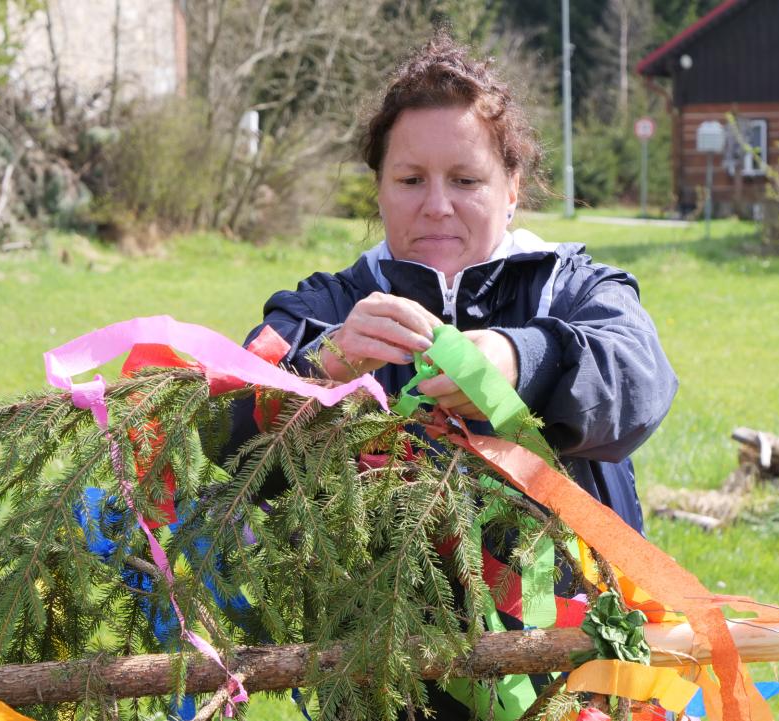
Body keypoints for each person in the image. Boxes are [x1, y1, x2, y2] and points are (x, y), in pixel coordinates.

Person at [226, 32, 677, 718]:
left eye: (466, 180)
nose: (437, 205)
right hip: (385, 680)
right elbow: (225, 433)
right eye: (411, 180)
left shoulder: (574, 288)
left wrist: (523, 361)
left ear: (512, 188)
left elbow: (640, 382)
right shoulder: (328, 306)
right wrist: (324, 367)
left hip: (577, 665)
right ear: (380, 190)